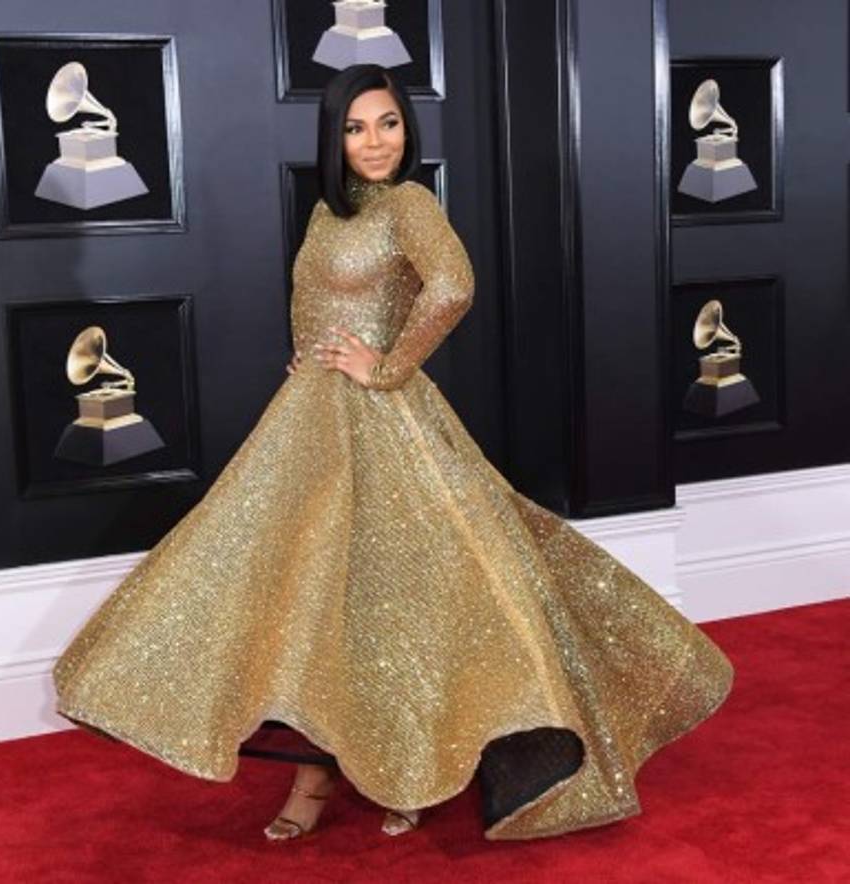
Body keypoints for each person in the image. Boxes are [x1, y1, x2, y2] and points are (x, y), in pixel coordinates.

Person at [52, 64, 734, 844]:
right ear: (332, 139)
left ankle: (409, 772)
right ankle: (326, 773)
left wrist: (387, 365)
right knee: (310, 602)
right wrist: (310, 355)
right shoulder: (325, 214)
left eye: (388, 124)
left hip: (385, 425)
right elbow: (319, 303)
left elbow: (453, 285)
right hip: (311, 422)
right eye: (355, 127)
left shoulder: (411, 202)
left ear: (408, 131)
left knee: (402, 601)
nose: (375, 142)